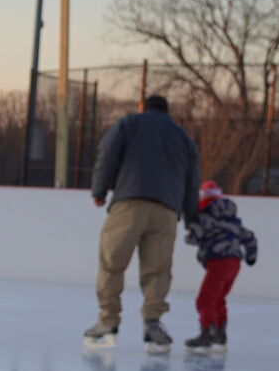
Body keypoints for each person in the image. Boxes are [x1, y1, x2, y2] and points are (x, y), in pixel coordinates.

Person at [84, 93, 200, 353]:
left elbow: (108, 153)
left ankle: (107, 321)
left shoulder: (128, 124)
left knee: (112, 263)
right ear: (167, 112)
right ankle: (153, 322)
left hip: (129, 202)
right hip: (166, 211)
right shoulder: (183, 137)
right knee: (158, 270)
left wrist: (99, 190)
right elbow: (193, 180)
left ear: (142, 107)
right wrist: (191, 218)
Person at [182, 180, 258, 354]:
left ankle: (207, 333)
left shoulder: (204, 217)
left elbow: (194, 238)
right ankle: (220, 335)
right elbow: (249, 237)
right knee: (218, 298)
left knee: (205, 299)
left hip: (218, 261)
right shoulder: (232, 220)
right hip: (234, 263)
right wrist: (251, 256)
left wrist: (191, 229)